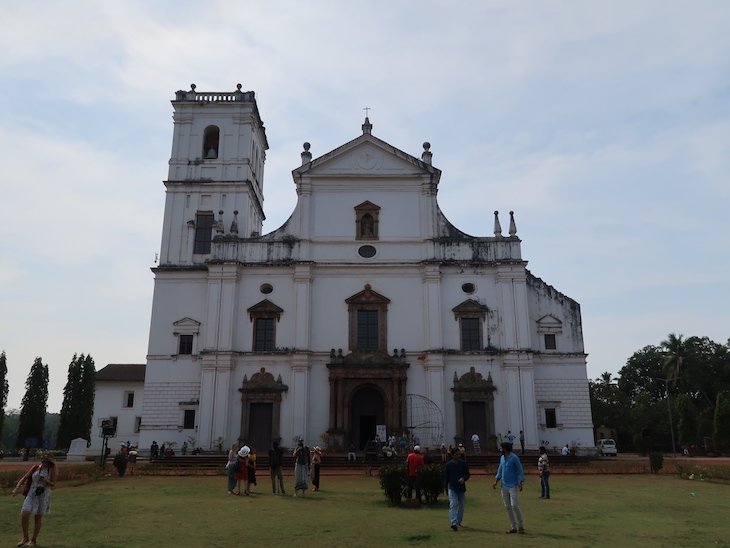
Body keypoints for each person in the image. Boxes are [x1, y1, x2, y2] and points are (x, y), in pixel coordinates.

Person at [12, 452, 58, 547]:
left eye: (46, 460)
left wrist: (45, 481)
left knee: (37, 517)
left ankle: (33, 540)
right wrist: (17, 488)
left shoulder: (51, 469)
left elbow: (53, 484)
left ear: (50, 461)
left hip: (43, 495)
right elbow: (25, 478)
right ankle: (25, 537)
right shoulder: (36, 467)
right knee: (25, 513)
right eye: (42, 459)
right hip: (31, 493)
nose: (43, 461)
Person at [493, 441, 525, 534]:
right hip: (504, 485)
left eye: (501, 448)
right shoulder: (502, 458)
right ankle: (513, 526)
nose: (500, 450)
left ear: (505, 449)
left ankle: (520, 525)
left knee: (514, 505)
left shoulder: (514, 458)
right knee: (507, 506)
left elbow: (519, 470)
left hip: (513, 485)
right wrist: (496, 481)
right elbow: (500, 470)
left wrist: (520, 482)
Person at [444, 446, 470, 531]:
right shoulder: (448, 465)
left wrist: (464, 478)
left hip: (461, 488)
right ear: (452, 455)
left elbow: (467, 474)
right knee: (453, 504)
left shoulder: (463, 463)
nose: (458, 456)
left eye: (459, 454)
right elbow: (446, 477)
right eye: (456, 454)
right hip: (452, 487)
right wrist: (445, 487)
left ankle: (458, 521)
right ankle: (453, 522)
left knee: (461, 506)